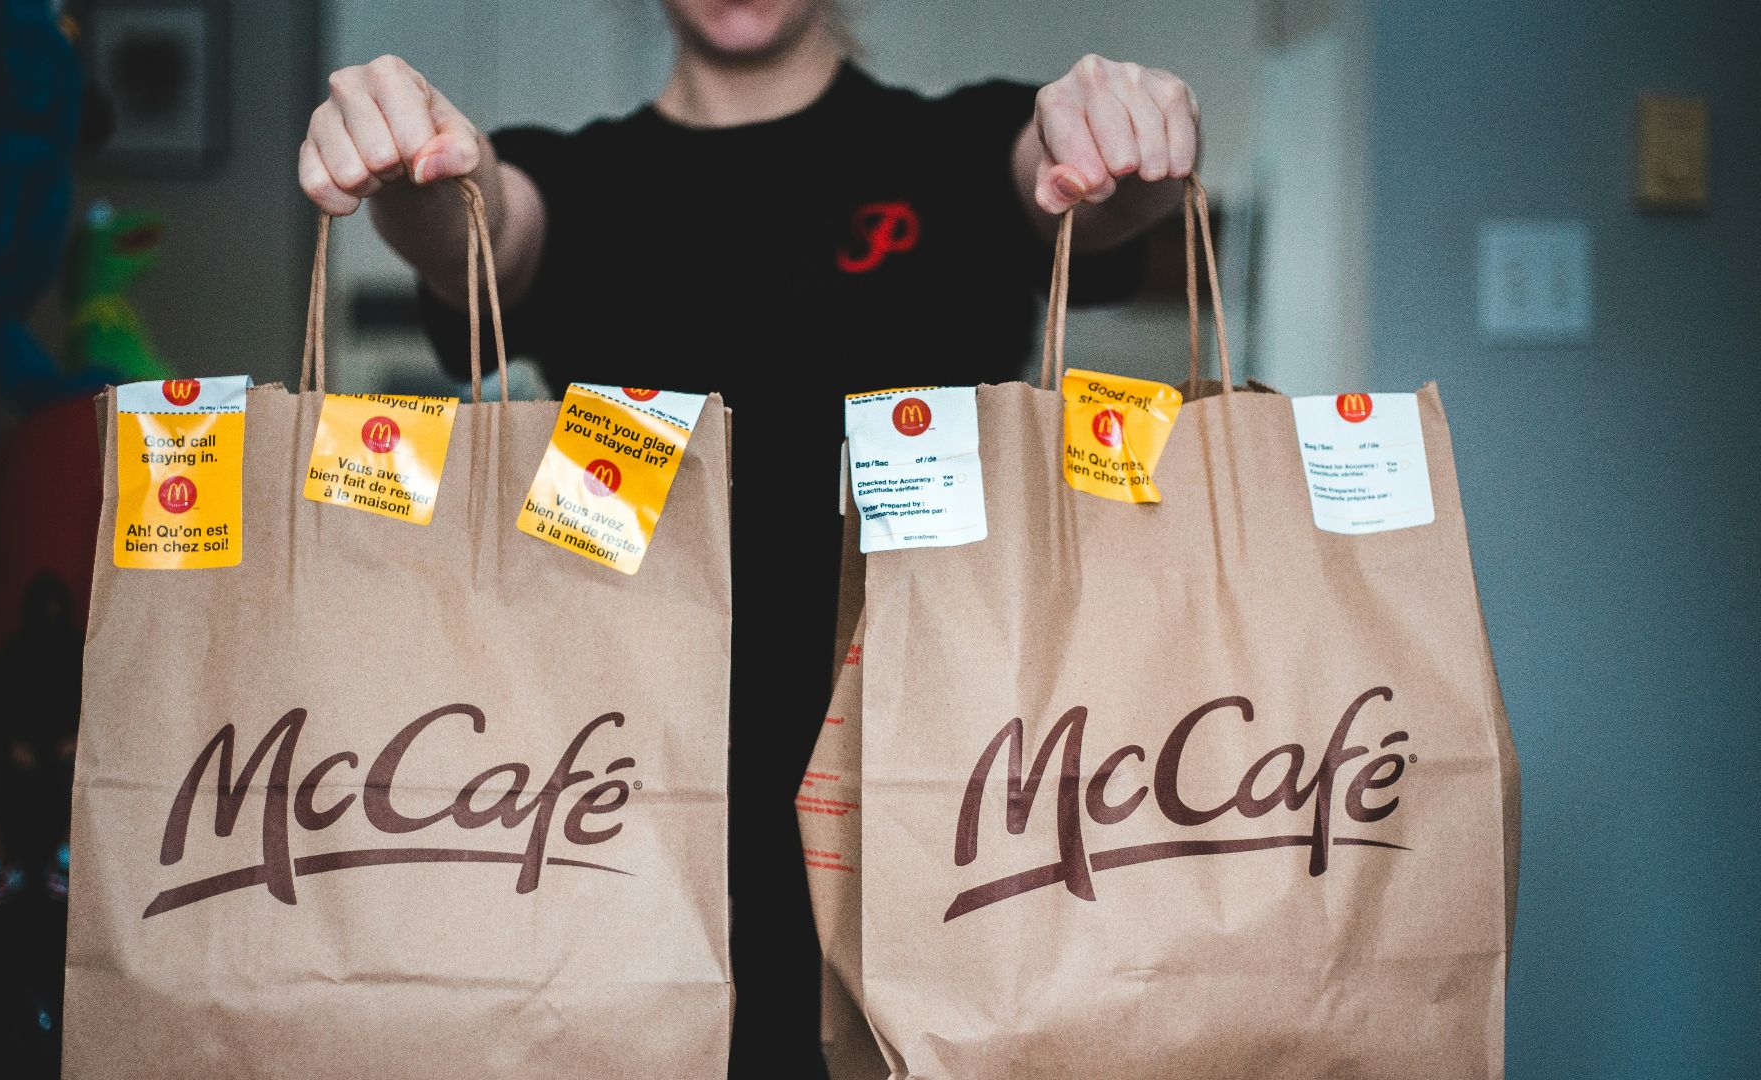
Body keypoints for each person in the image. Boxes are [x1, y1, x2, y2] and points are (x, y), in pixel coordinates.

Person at [298, 1, 1201, 1071]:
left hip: (945, 808)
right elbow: (483, 221)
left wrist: (1113, 137)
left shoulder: (965, 146)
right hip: (623, 816)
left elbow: (1068, 188)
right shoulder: (575, 180)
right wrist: (420, 173)